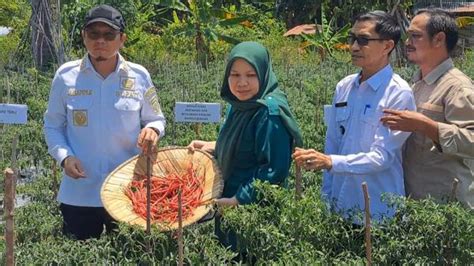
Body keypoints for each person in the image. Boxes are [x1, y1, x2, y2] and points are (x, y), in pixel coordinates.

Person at [43, 4, 166, 240]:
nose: (101, 40)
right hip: (79, 193)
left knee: (128, 255)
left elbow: (156, 118)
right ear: (83, 36)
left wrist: (152, 130)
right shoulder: (65, 76)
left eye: (109, 35)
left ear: (122, 39)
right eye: (93, 34)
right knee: (78, 256)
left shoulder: (139, 76)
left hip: (127, 192)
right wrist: (64, 157)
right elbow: (53, 125)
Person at [293, 11, 416, 222]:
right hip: (340, 206)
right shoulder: (344, 86)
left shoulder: (398, 93)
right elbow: (333, 143)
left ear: (387, 46)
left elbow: (382, 157)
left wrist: (330, 162)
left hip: (378, 212)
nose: (354, 47)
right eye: (352, 39)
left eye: (363, 40)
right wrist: (327, 199)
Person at [188, 41, 303, 251]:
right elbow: (245, 144)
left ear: (263, 73)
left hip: (252, 209)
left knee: (248, 254)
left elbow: (273, 170)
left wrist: (239, 199)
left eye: (251, 75)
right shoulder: (241, 105)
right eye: (235, 75)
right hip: (228, 199)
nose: (242, 83)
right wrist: (214, 145)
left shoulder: (268, 114)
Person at [381, 8, 474, 209]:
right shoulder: (416, 84)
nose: (407, 43)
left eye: (415, 36)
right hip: (414, 202)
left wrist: (427, 126)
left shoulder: (458, 87)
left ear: (439, 39)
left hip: (445, 208)